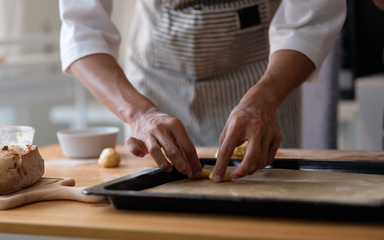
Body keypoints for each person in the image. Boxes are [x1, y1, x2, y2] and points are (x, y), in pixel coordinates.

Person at [59, 0, 346, 182]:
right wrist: (140, 114)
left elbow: (312, 15)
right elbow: (81, 27)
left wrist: (266, 99)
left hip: (263, 79)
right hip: (154, 82)